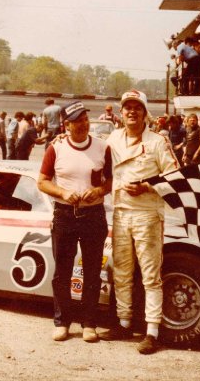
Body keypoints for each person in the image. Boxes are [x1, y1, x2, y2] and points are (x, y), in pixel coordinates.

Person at [100, 90, 178, 355]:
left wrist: (147, 186)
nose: (131, 112)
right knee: (121, 272)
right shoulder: (112, 138)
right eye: (127, 108)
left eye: (137, 108)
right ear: (120, 113)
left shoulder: (158, 142)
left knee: (150, 275)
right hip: (120, 213)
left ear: (145, 113)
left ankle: (152, 331)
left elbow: (176, 178)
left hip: (147, 215)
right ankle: (123, 323)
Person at [37, 100, 112, 343]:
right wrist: (63, 193)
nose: (83, 124)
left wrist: (99, 191)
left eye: (85, 119)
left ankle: (89, 323)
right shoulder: (55, 148)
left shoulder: (102, 147)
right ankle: (62, 322)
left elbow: (111, 181)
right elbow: (42, 181)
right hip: (65, 214)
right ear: (66, 125)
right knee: (62, 272)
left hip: (93, 214)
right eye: (77, 121)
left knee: (92, 271)